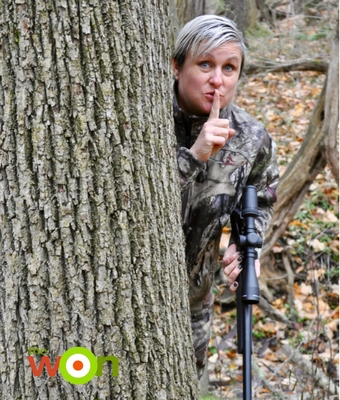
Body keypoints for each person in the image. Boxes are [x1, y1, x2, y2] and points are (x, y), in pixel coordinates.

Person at [172, 15, 279, 378]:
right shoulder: (144, 122)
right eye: (205, 64)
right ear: (177, 66)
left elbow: (262, 199)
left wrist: (246, 244)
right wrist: (194, 156)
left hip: (192, 311)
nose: (218, 80)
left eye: (229, 68)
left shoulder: (251, 138)